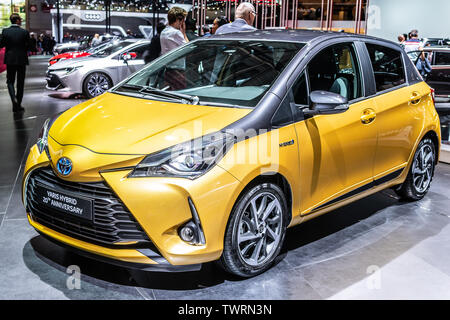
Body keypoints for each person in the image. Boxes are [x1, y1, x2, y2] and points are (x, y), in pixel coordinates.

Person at [0, 13, 30, 112]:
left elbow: (1, 44)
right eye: (20, 20)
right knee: (20, 82)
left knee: (10, 81)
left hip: (10, 60)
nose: (21, 21)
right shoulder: (24, 32)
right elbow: (29, 46)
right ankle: (18, 103)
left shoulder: (5, 31)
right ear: (17, 21)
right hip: (22, 59)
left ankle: (14, 100)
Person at [160, 7, 189, 90]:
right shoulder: (176, 33)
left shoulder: (164, 31)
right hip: (178, 71)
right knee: (180, 94)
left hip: (168, 70)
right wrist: (183, 32)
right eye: (183, 20)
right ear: (178, 20)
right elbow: (188, 47)